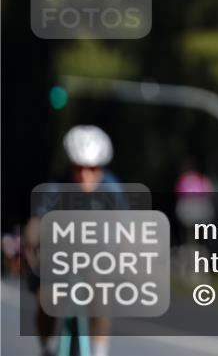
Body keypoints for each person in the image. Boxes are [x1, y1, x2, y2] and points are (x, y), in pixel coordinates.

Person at [24, 125, 123, 356]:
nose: (85, 175)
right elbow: (35, 226)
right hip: (59, 256)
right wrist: (32, 251)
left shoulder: (112, 189)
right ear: (71, 166)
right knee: (47, 298)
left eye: (92, 169)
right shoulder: (55, 188)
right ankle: (47, 347)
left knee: (101, 295)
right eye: (79, 168)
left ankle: (99, 350)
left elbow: (125, 229)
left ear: (101, 168)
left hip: (97, 256)